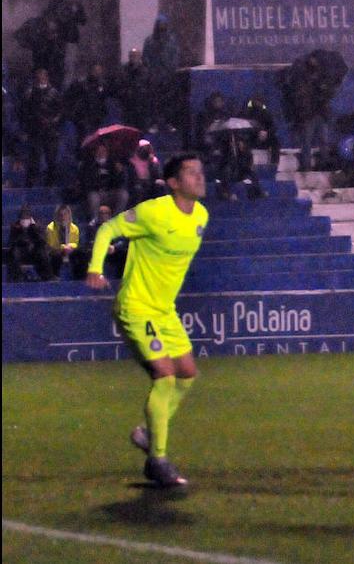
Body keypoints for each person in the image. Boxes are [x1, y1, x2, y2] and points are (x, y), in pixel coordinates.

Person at [86, 153, 210, 489]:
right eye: (191, 173)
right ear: (172, 183)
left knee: (187, 373)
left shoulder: (201, 216)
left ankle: (148, 433)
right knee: (166, 376)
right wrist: (95, 267)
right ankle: (157, 460)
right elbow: (109, 228)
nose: (200, 177)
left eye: (201, 171)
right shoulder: (155, 211)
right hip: (137, 306)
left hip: (164, 310)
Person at [20, 68, 64, 187]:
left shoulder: (54, 93)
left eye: (43, 76)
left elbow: (61, 111)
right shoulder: (29, 93)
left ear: (47, 77)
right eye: (38, 77)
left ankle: (50, 186)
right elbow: (24, 112)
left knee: (51, 160)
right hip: (35, 131)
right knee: (34, 160)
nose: (41, 79)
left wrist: (53, 121)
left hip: (50, 132)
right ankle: (30, 186)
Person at [142, 16, 180, 132]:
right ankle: (154, 124)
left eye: (164, 24)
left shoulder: (172, 40)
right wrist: (152, 70)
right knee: (154, 102)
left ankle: (168, 123)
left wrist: (170, 68)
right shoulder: (149, 40)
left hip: (168, 76)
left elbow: (176, 56)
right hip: (154, 76)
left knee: (168, 101)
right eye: (160, 24)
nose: (162, 26)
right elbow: (145, 57)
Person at [47, 0, 87, 85]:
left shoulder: (77, 5)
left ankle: (67, 86)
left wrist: (76, 12)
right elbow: (52, 19)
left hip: (71, 39)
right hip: (59, 39)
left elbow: (83, 20)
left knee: (69, 65)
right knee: (58, 64)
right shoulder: (56, 4)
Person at [79, 142, 129, 220]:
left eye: (103, 151)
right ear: (94, 152)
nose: (101, 153)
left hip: (110, 192)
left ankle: (115, 219)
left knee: (123, 194)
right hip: (96, 193)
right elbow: (86, 182)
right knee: (93, 197)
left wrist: (119, 172)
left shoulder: (112, 164)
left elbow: (119, 183)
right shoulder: (88, 164)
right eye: (99, 151)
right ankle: (95, 220)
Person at [66, 63, 111, 140]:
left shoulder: (102, 85)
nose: (97, 73)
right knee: (83, 138)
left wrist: (102, 113)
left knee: (95, 138)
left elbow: (103, 100)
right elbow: (71, 97)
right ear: (91, 71)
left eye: (99, 70)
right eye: (95, 70)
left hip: (96, 117)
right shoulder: (81, 83)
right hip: (83, 117)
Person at [7, 205, 52, 281]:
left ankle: (47, 276)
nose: (24, 218)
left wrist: (34, 229)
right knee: (14, 253)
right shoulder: (15, 226)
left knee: (42, 253)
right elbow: (12, 242)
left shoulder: (38, 226)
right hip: (22, 250)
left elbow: (42, 241)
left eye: (26, 215)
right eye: (22, 215)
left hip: (35, 249)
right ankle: (16, 277)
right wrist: (20, 234)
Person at [85, 204, 129, 279]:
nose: (103, 215)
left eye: (106, 213)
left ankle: (121, 279)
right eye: (101, 213)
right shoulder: (92, 227)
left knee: (125, 254)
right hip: (97, 252)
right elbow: (89, 242)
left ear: (110, 215)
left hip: (112, 251)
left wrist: (114, 247)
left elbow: (122, 241)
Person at [46, 204, 88, 279]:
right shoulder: (50, 228)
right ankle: (54, 277)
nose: (63, 217)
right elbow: (52, 245)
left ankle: (80, 278)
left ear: (69, 215)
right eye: (60, 215)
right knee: (55, 256)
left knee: (81, 254)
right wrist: (63, 247)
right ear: (57, 216)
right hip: (57, 251)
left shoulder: (74, 228)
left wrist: (70, 247)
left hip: (70, 250)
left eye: (65, 214)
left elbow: (75, 243)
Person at [242, 97, 280, 167]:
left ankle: (274, 164)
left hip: (264, 138)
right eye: (256, 101)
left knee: (275, 141)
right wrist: (257, 132)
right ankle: (247, 164)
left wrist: (266, 132)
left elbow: (273, 127)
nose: (258, 103)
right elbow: (244, 127)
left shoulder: (266, 113)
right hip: (252, 138)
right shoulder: (247, 112)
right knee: (244, 142)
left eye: (259, 102)